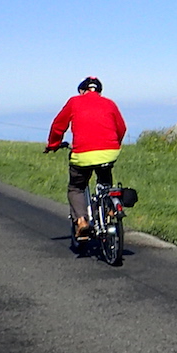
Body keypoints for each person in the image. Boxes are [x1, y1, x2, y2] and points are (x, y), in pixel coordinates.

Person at [46, 77, 127, 238]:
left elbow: (58, 125)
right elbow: (122, 128)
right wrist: (113, 144)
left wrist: (53, 144)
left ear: (82, 91)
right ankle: (110, 209)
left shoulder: (74, 102)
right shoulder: (109, 103)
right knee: (105, 179)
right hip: (110, 151)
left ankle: (82, 221)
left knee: (76, 188)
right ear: (99, 91)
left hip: (82, 154)